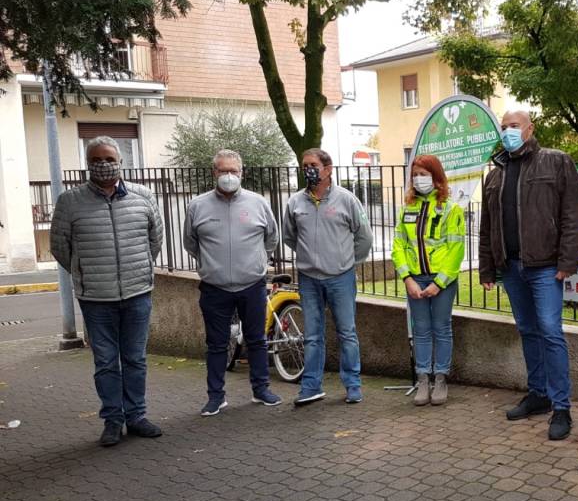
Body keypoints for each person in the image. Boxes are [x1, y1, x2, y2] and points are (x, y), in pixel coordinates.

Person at [478, 110, 578, 440]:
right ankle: (538, 394)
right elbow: (487, 227)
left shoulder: (555, 161)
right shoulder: (495, 173)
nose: (509, 131)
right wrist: (487, 268)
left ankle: (561, 407)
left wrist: (567, 261)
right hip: (510, 267)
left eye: (515, 126)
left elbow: (573, 214)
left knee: (551, 331)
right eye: (505, 126)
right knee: (527, 330)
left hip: (545, 268)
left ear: (529, 129)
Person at [50, 136, 164, 447]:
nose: (103, 165)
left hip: (137, 292)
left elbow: (155, 239)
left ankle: (136, 416)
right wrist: (86, 272)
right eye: (97, 159)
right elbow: (60, 248)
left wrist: (137, 268)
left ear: (120, 161)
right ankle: (113, 420)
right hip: (95, 298)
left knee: (135, 359)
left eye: (109, 159)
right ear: (88, 164)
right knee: (105, 362)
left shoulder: (143, 196)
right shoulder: (70, 202)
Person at [183, 149, 281, 416]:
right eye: (222, 171)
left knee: (257, 340)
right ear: (214, 173)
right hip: (215, 288)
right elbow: (191, 243)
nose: (228, 176)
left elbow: (271, 239)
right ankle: (216, 397)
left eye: (233, 171)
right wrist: (212, 265)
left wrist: (256, 262)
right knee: (216, 344)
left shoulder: (258, 203)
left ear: (242, 173)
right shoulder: (197, 206)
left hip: (251, 285)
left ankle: (261, 390)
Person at [283, 148, 372, 407]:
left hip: (340, 278)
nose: (308, 169)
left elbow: (364, 237)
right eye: (304, 164)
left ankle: (353, 385)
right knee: (312, 334)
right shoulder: (295, 202)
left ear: (328, 168)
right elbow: (290, 236)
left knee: (347, 332)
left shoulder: (347, 200)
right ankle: (310, 386)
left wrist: (347, 261)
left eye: (313, 164)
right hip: (309, 278)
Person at [391, 154, 466, 406]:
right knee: (421, 330)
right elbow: (398, 246)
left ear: (436, 177)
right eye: (415, 174)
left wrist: (439, 283)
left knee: (442, 329)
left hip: (440, 281)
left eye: (423, 174)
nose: (418, 179)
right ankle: (423, 379)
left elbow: (456, 250)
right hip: (415, 280)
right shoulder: (407, 208)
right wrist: (407, 278)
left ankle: (441, 379)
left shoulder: (451, 209)